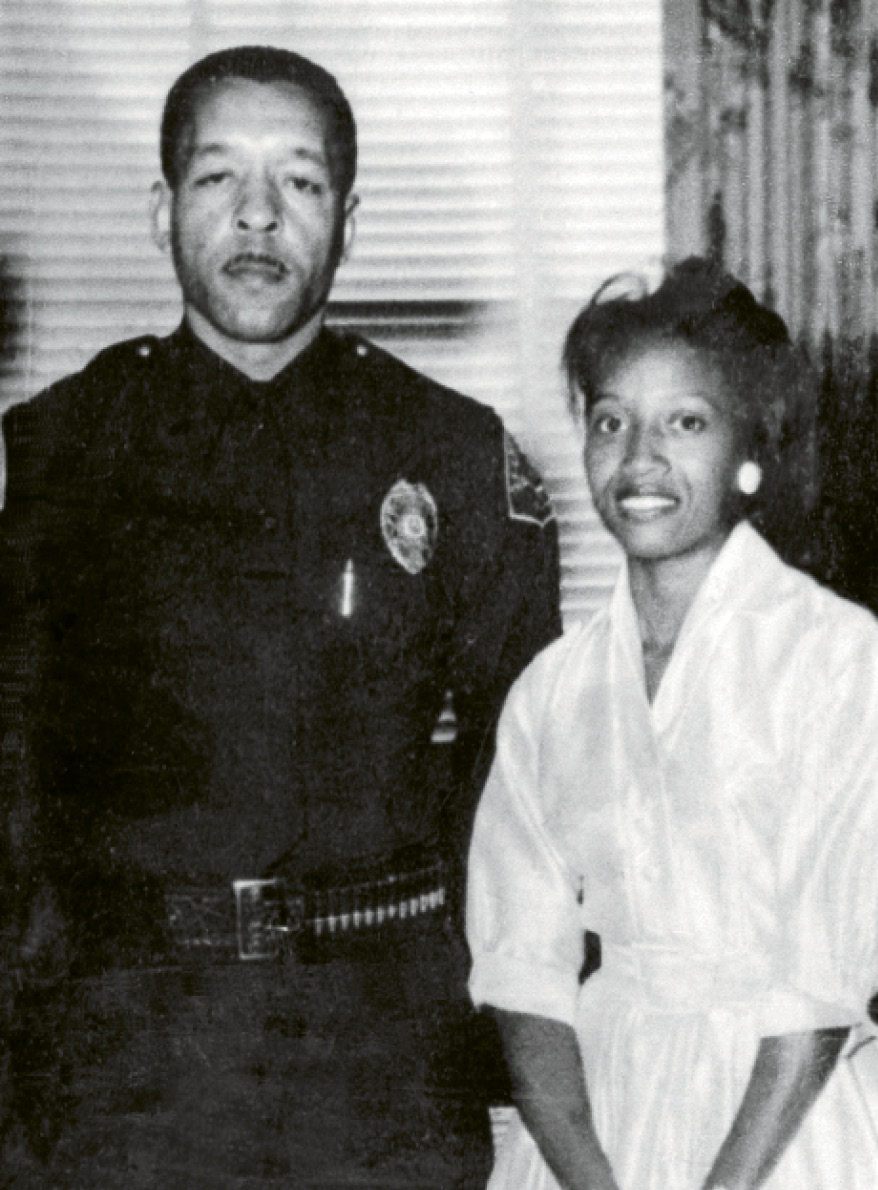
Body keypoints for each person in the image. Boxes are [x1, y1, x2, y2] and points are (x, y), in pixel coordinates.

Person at [0, 45, 561, 1188]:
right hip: (122, 1070)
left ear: (349, 220)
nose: (257, 216)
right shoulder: (50, 459)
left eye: (299, 183)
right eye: (217, 179)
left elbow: (523, 791)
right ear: (158, 209)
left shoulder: (452, 460)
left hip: (376, 1064)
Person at [466, 257, 878, 1190]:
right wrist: (590, 1177)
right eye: (612, 421)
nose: (640, 459)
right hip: (594, 1132)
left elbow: (815, 994)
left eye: (684, 423)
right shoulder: (552, 693)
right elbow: (523, 973)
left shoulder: (839, 660)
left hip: (785, 1132)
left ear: (747, 450)